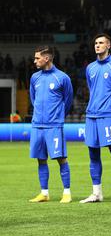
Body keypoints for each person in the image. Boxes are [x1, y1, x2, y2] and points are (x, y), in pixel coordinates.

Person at [80, 34, 111, 204]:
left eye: (101, 43)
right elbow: (92, 89)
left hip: (108, 115)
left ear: (108, 45)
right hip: (91, 115)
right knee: (93, 154)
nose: (97, 45)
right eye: (95, 43)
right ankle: (97, 193)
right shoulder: (90, 68)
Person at [28, 45, 73, 203]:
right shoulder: (35, 78)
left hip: (54, 125)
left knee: (61, 158)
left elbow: (68, 102)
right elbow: (33, 99)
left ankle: (66, 192)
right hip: (37, 125)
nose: (35, 61)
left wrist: (57, 116)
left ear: (46, 58)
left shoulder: (62, 78)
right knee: (41, 159)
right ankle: (44, 193)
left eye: (37, 58)